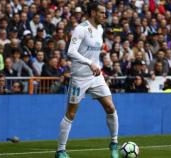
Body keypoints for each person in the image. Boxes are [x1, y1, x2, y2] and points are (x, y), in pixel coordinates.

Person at [55, 1, 119, 158]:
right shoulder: (81, 29)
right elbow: (71, 51)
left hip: (96, 77)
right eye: (102, 12)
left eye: (105, 13)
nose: (105, 15)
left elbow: (94, 52)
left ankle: (114, 143)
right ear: (92, 13)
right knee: (71, 114)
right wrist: (89, 63)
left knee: (110, 107)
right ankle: (60, 151)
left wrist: (98, 62)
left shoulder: (100, 29)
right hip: (80, 78)